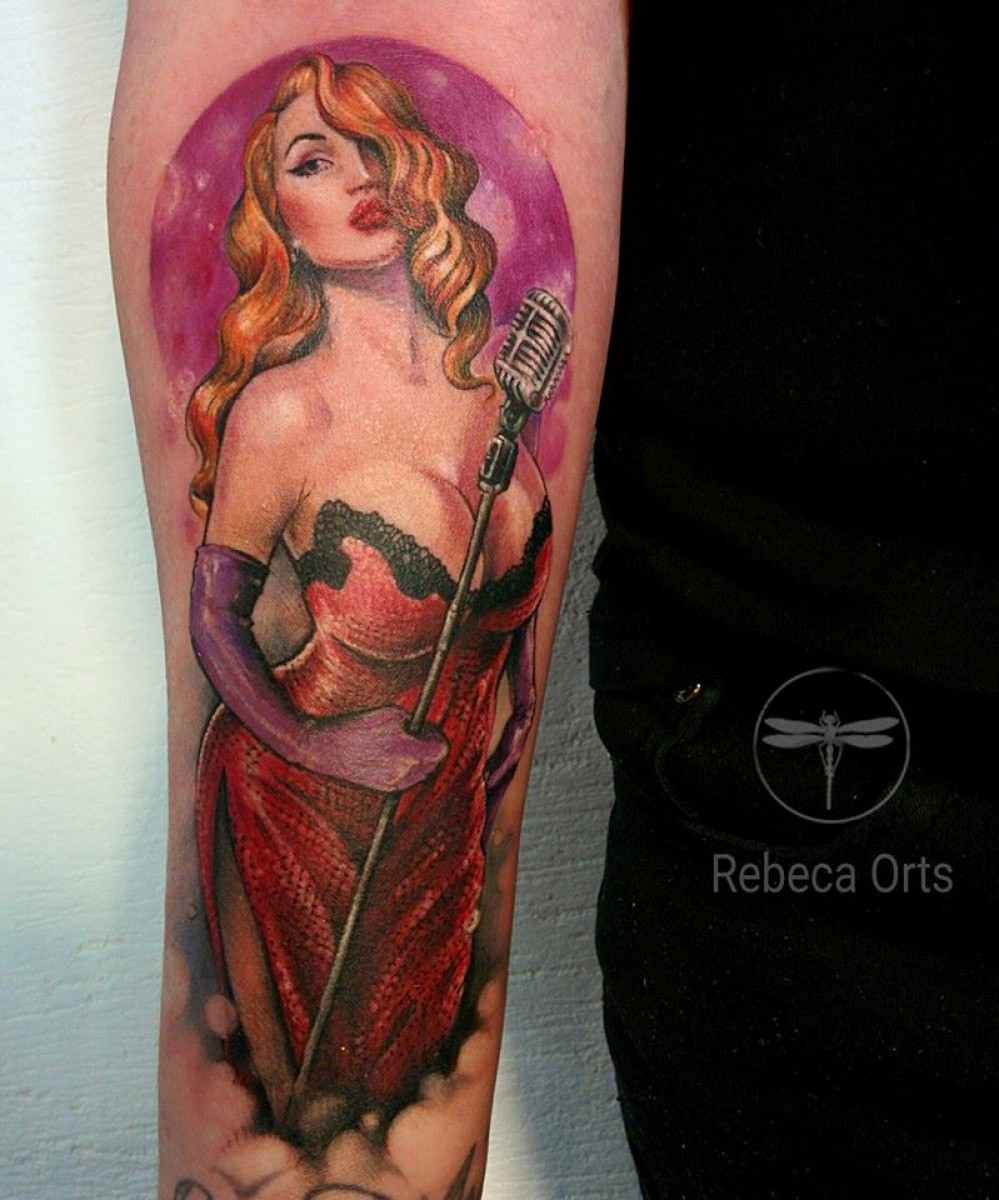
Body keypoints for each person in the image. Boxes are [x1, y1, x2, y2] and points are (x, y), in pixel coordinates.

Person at [185, 53, 553, 1140]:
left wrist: (520, 711)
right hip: (307, 820)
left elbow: (508, 604)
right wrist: (315, 744)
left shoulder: (495, 396)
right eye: (312, 160)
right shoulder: (281, 414)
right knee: (325, 1121)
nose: (359, 176)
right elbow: (214, 617)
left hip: (443, 820)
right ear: (278, 223)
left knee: (403, 1115)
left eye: (374, 144)